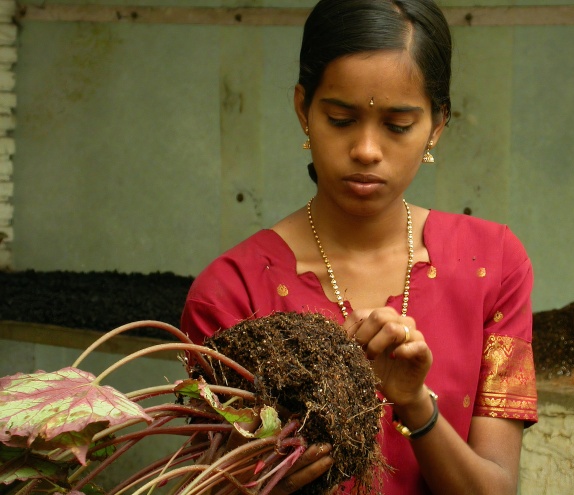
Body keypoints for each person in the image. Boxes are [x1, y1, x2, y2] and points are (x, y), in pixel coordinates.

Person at [181, 0, 538, 493]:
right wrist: (260, 483)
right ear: (303, 109)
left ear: (437, 125)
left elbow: (496, 488)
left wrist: (415, 403)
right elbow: (204, 481)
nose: (367, 150)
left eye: (398, 125)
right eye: (341, 118)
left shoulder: (493, 264)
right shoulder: (230, 291)